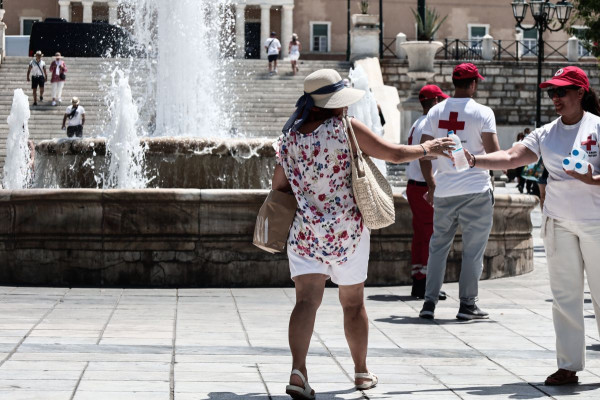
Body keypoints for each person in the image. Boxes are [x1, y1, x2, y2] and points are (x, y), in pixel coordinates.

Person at [273, 69, 454, 399]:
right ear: (336, 103)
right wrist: (429, 148)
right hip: (347, 233)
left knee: (305, 302)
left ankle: (298, 372)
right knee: (353, 303)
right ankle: (360, 372)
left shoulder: (289, 138)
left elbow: (279, 187)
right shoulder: (346, 129)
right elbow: (396, 154)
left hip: (306, 234)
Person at [462, 66, 600, 386]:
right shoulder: (545, 133)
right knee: (564, 296)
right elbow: (512, 157)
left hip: (596, 223)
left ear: (580, 93)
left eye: (561, 91)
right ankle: (568, 366)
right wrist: (475, 161)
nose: (555, 98)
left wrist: (591, 178)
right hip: (559, 222)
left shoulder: (597, 128)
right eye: (551, 92)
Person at [418, 63, 500, 321]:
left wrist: (431, 185)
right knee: (473, 251)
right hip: (476, 189)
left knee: (438, 248)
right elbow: (494, 154)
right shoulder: (483, 112)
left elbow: (422, 153)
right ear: (473, 84)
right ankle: (467, 305)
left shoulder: (436, 111)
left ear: (454, 83)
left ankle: (429, 303)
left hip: (445, 190)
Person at [406, 84, 450, 299]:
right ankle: (426, 283)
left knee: (421, 235)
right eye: (440, 100)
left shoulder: (417, 123)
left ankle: (419, 279)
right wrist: (433, 187)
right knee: (432, 236)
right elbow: (426, 159)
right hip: (424, 186)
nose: (442, 104)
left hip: (415, 185)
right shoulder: (429, 125)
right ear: (434, 102)